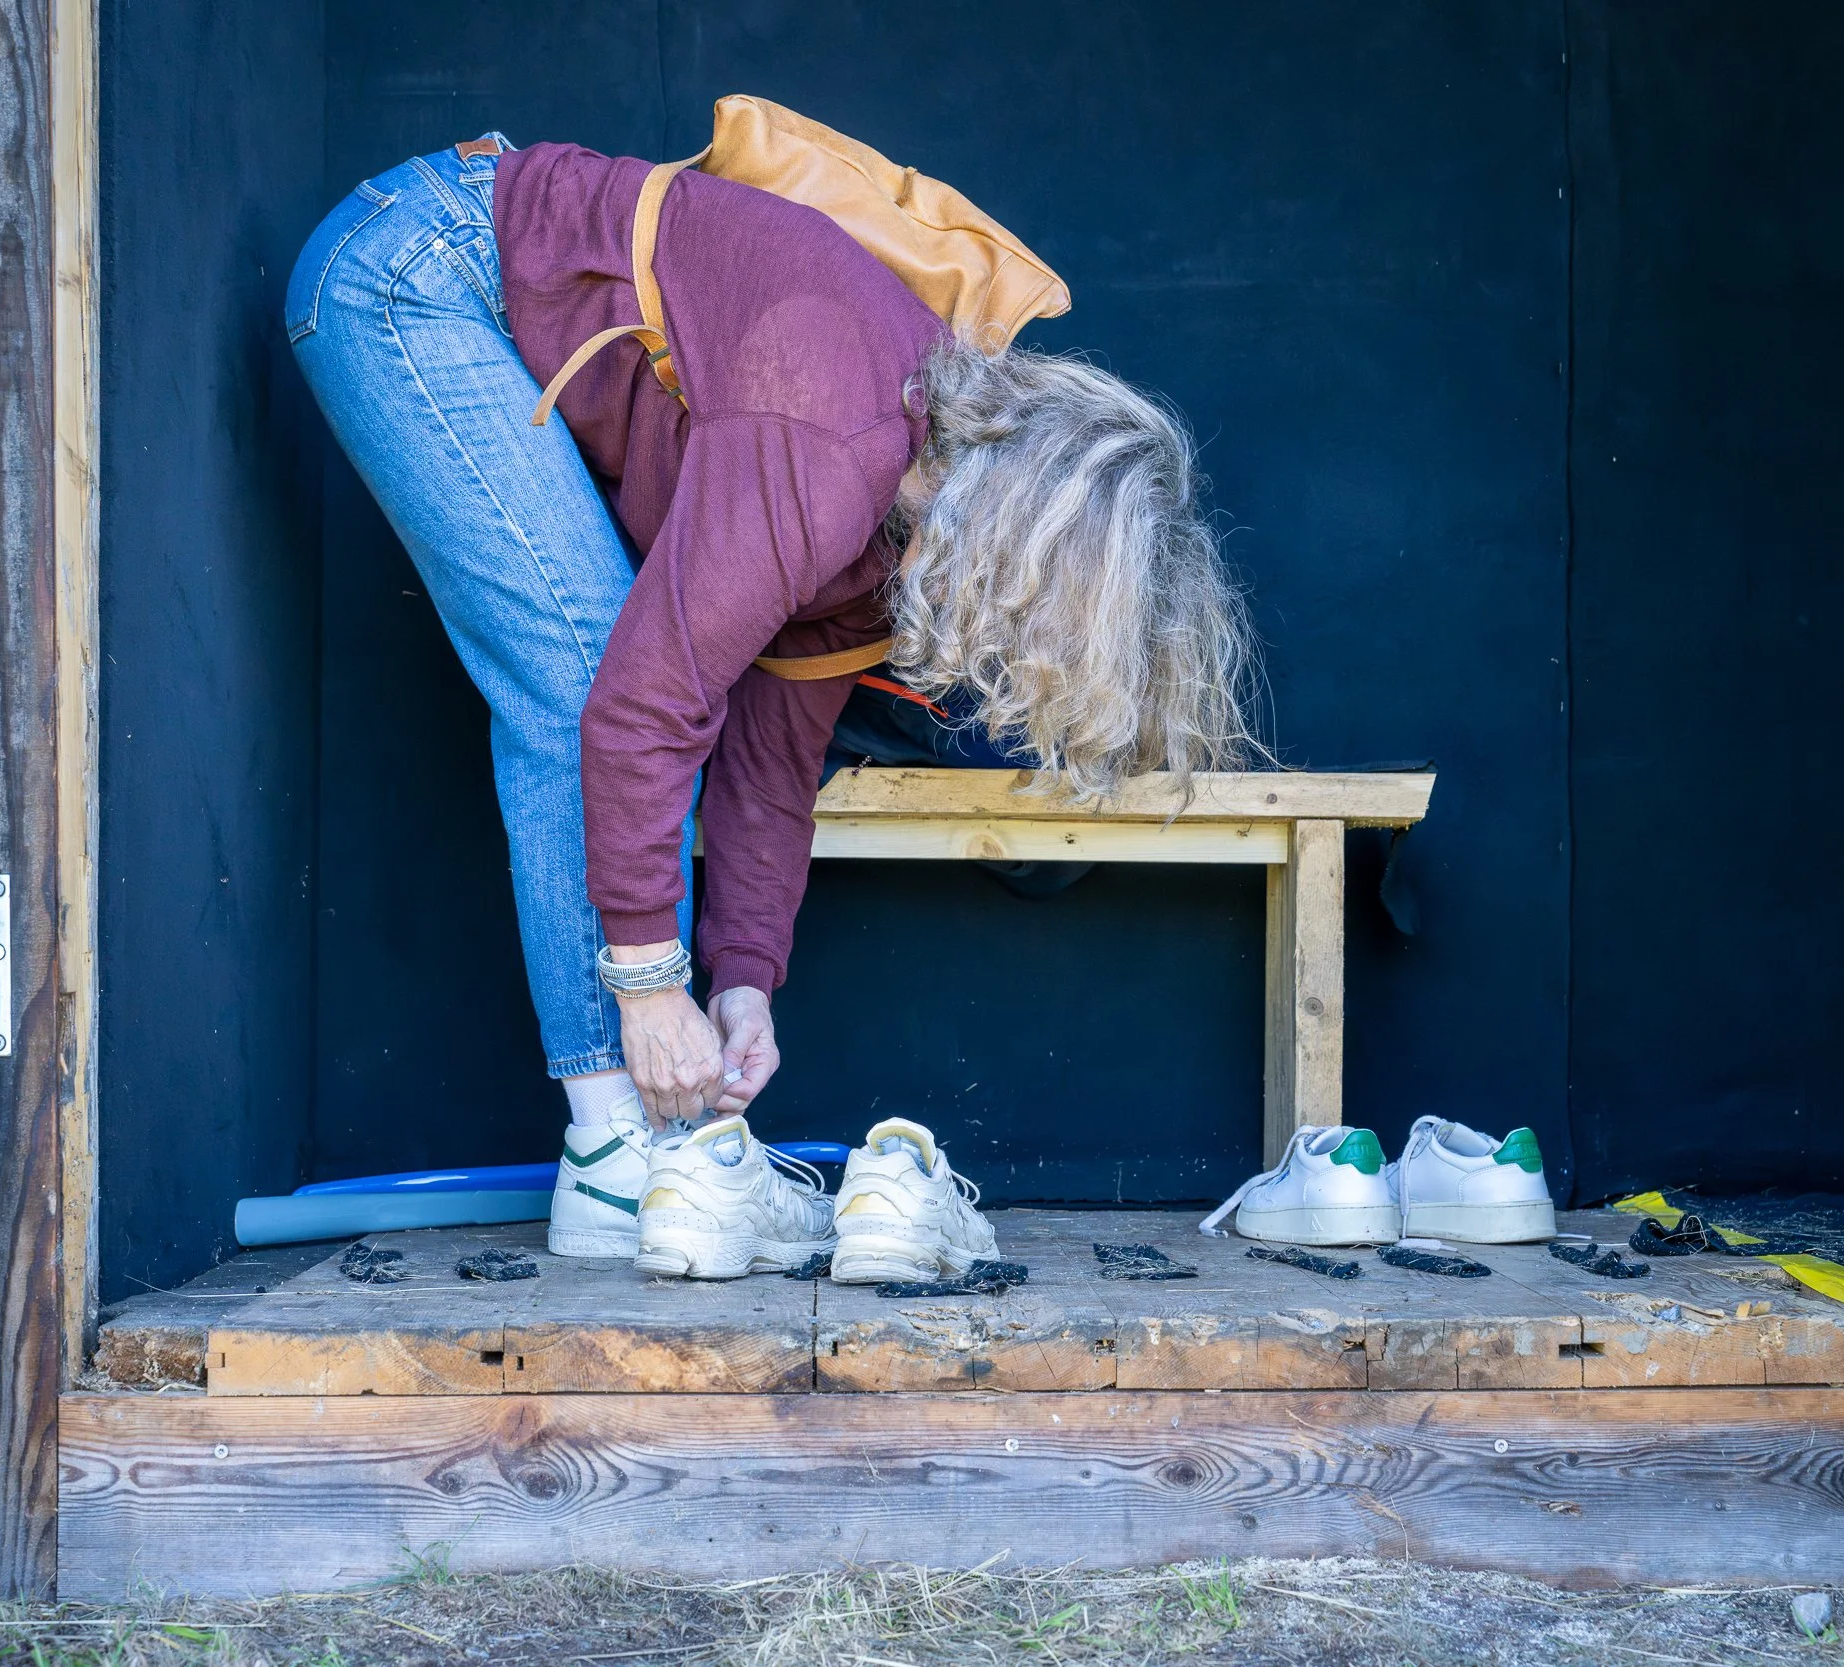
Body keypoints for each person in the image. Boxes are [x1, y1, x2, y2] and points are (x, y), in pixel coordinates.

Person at [287, 132, 1256, 1267]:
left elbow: (770, 761)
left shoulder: (894, 539)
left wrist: (745, 978)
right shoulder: (834, 430)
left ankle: (649, 1153)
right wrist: (650, 991)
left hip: (450, 284)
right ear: (1025, 545)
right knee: (590, 666)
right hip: (417, 272)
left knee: (627, 675)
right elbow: (639, 710)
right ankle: (614, 1153)